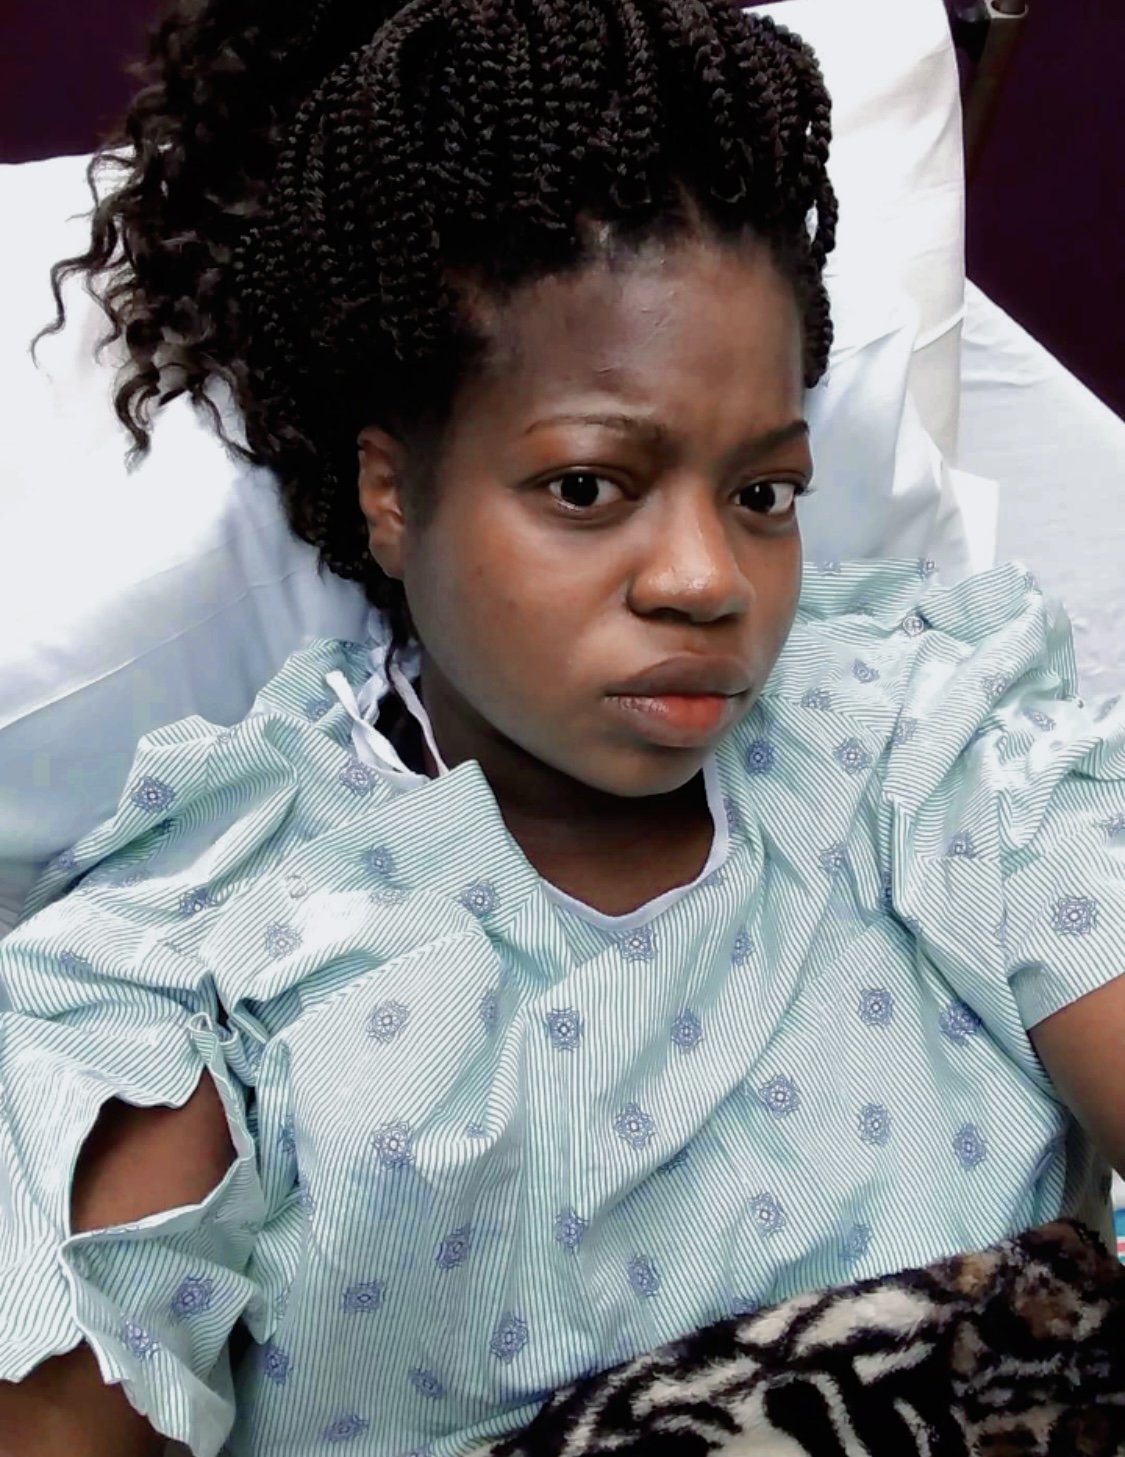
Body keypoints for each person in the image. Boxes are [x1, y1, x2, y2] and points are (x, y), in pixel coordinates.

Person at [1, 0, 1123, 1454]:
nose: (707, 580)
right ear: (392, 493)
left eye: (763, 491)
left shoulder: (946, 746)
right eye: (589, 487)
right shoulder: (202, 979)